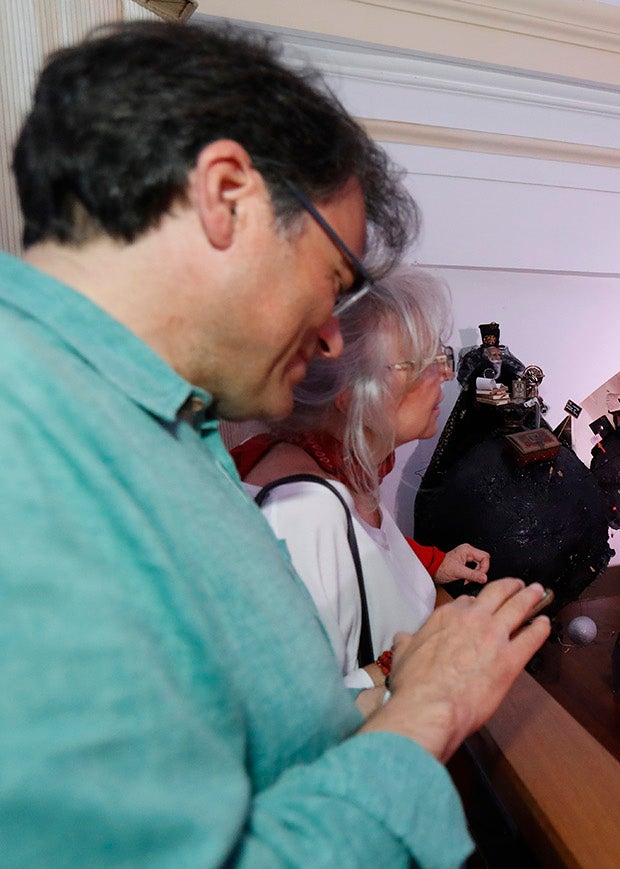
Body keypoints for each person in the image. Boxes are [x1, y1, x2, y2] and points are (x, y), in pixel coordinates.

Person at [0, 20, 549, 867]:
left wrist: (387, 690)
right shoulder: (27, 442)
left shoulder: (155, 429)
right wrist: (429, 707)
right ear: (225, 195)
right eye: (334, 279)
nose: (333, 337)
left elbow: (260, 751)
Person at [233, 267, 490, 698]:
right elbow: (307, 714)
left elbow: (360, 561)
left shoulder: (340, 469)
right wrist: (414, 659)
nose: (444, 375)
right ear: (352, 392)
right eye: (424, 363)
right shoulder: (300, 512)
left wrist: (428, 564)